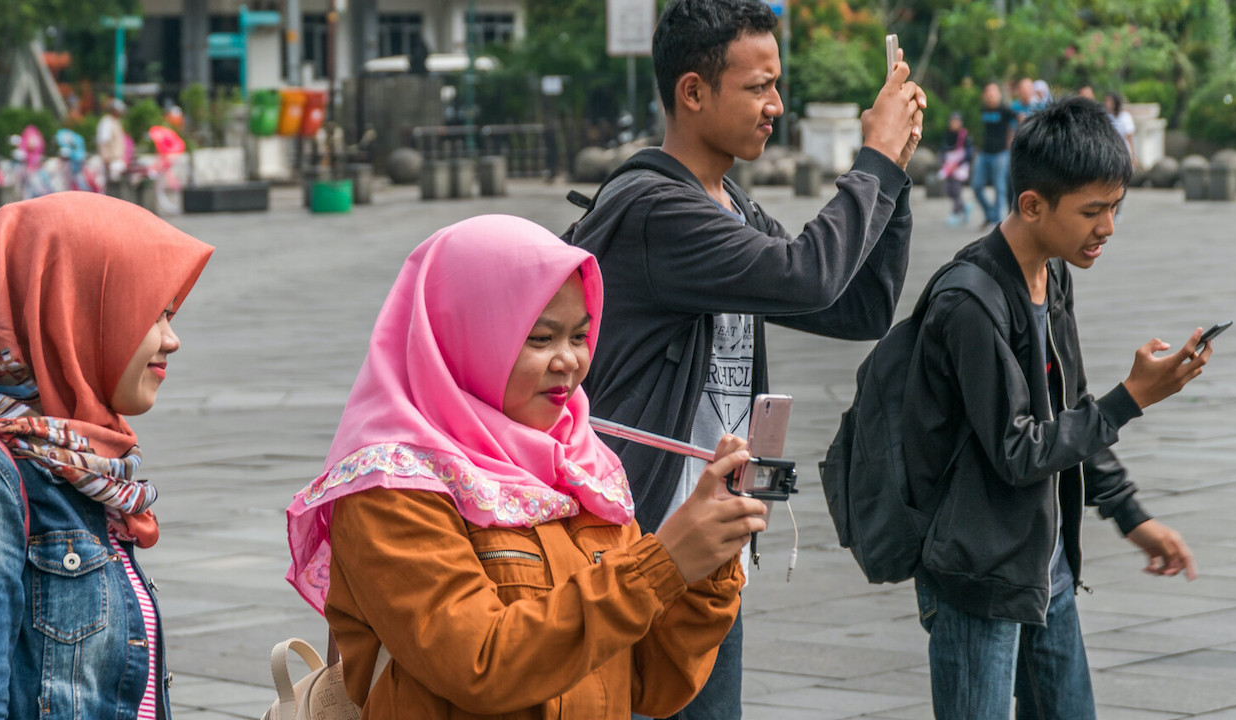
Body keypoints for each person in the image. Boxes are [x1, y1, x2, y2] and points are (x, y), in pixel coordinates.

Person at [566, 1, 924, 717]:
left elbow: (855, 307)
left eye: (777, 84)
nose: (776, 105)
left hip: (709, 555)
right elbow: (807, 274)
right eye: (758, 86)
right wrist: (873, 163)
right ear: (693, 92)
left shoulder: (727, 203)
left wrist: (894, 177)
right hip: (642, 557)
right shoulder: (655, 210)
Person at [284, 215, 770, 720]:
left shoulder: (584, 469)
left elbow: (651, 684)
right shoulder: (392, 488)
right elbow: (479, 664)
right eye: (540, 339)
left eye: (580, 336)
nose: (569, 361)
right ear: (463, 335)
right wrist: (661, 563)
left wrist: (707, 565)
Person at [903, 97, 1205, 719]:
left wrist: (1129, 515)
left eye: (1115, 208)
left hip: (1045, 569)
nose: (1108, 228)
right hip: (979, 582)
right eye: (1092, 211)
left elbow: (1070, 410)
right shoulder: (970, 303)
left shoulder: (1052, 271)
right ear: (1032, 205)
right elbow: (1020, 450)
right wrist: (1133, 399)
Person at [0, 192, 213, 717]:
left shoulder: (73, 463)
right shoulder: (6, 473)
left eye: (170, 315)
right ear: (72, 314)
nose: (172, 339)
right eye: (151, 314)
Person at [973, 81, 1014, 230]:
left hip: (1000, 154)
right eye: (988, 93)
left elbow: (1019, 120)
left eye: (994, 93)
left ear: (999, 95)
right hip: (984, 153)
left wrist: (1012, 138)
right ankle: (990, 214)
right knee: (977, 186)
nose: (991, 96)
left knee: (999, 188)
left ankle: (998, 223)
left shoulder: (1005, 111)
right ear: (985, 95)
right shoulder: (982, 110)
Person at [939, 111, 974, 226]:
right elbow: (943, 150)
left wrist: (958, 164)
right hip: (949, 166)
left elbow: (969, 153)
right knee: (949, 189)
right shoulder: (947, 135)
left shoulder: (964, 136)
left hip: (960, 167)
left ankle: (956, 213)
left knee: (956, 190)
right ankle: (965, 207)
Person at [96, 99, 129, 195]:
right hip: (110, 161)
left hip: (116, 160)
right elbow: (104, 142)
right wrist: (108, 160)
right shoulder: (107, 122)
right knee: (110, 190)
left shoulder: (115, 122)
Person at [1105, 91, 1136, 166]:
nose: (1107, 103)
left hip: (1124, 151)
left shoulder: (1125, 117)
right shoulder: (1107, 117)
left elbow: (1129, 138)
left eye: (1109, 101)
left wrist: (1133, 156)